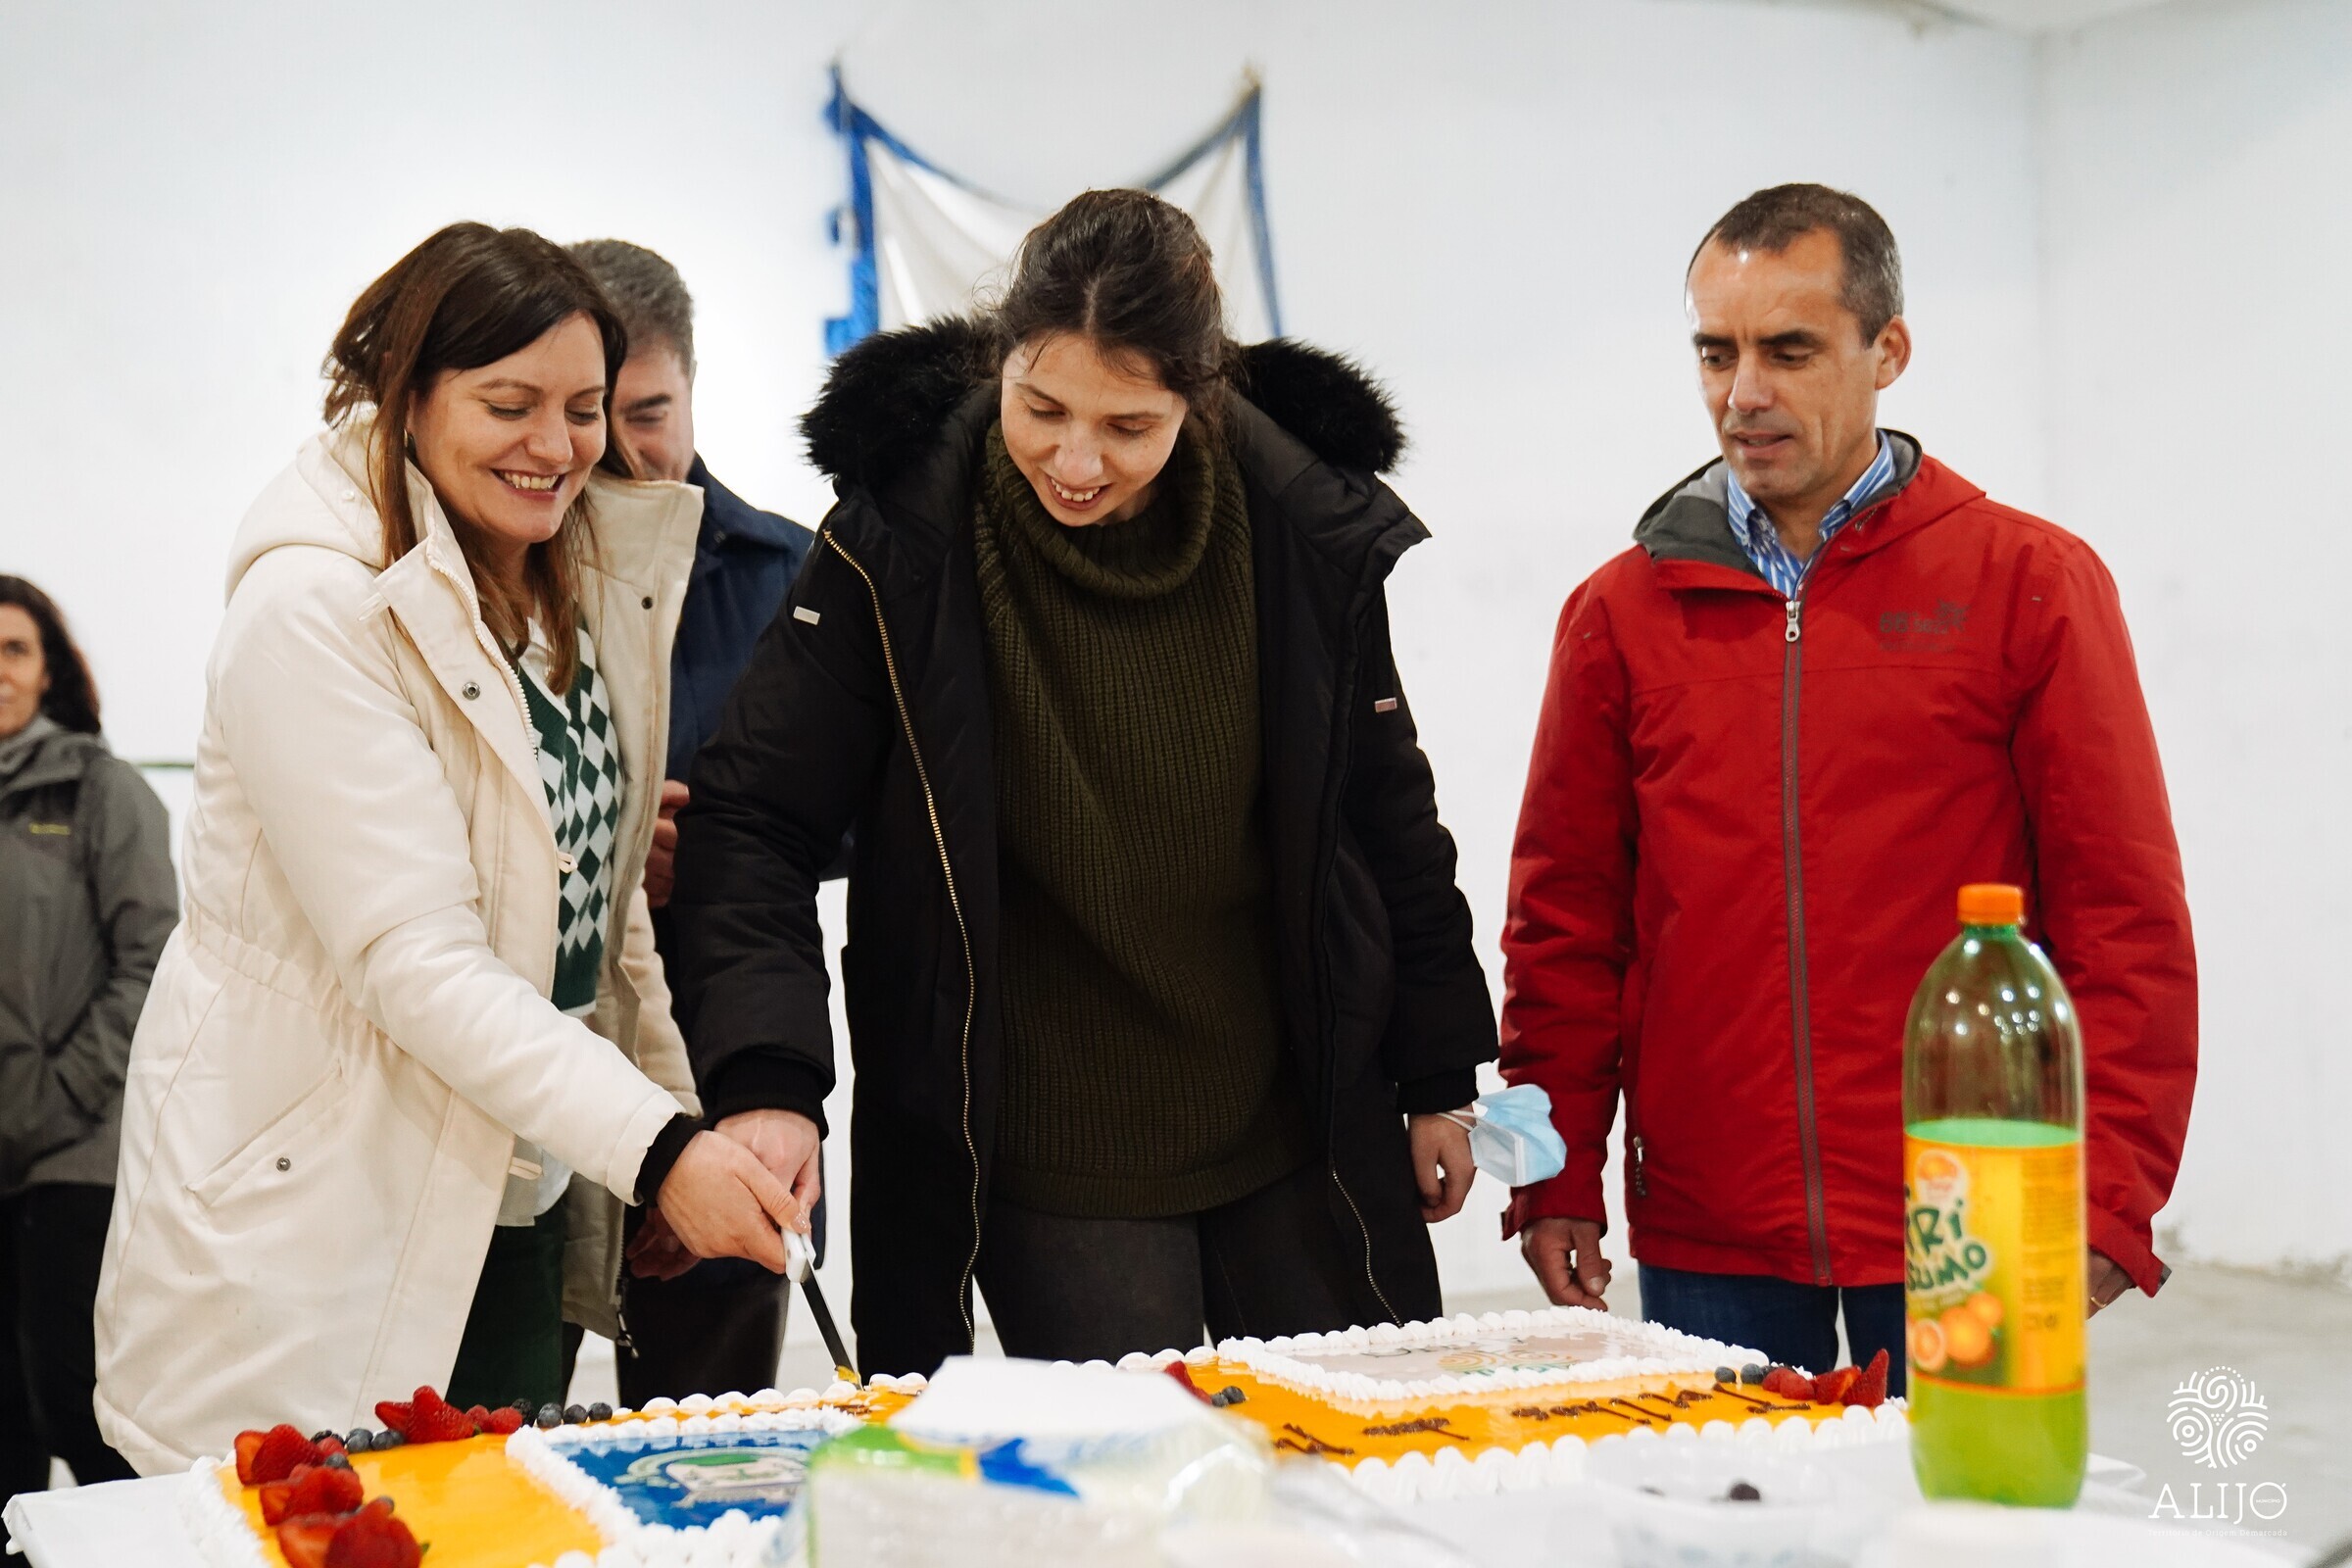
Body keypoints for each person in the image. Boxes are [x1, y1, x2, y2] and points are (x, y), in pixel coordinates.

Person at [668, 189, 1498, 1375]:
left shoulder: (1298, 526)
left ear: (1200, 397)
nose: (1074, 460)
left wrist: (1439, 1073)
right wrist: (767, 1078)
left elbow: (1382, 808)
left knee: (1352, 1450)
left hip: (1296, 1112)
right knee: (1131, 1469)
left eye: (1129, 425)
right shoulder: (900, 537)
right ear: (1000, 361)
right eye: (1042, 407)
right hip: (1048, 1146)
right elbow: (753, 817)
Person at [94, 222, 808, 1474]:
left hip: (512, 1198)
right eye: (509, 404)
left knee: (495, 1521)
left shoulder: (556, 581)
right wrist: (659, 1152)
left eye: (584, 409)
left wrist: (676, 1117)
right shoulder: (313, 611)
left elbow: (601, 920)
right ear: (407, 394)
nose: (559, 445)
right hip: (326, 1210)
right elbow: (415, 959)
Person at [1499, 183, 2196, 1393]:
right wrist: (1555, 1172)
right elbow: (1567, 920)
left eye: (1788, 350)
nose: (1743, 393)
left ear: (1888, 351)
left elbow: (2124, 918)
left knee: (1958, 1500)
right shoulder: (1619, 615)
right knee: (1725, 1501)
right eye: (1715, 353)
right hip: (1708, 1224)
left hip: (1970, 1206)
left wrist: (2107, 1198)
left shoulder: (2030, 583)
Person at [564, 238, 816, 1403]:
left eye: (650, 412)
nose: (620, 448)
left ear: (696, 386)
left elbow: (864, 818)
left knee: (711, 1432)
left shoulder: (787, 576)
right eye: (592, 413)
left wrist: (715, 845)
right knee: (491, 1426)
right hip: (534, 1059)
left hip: (727, 1059)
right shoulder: (496, 576)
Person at [0, 578, 173, 1503]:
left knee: (73, 1395)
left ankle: (173, 1544)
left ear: (49, 671)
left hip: (78, 1144)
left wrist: (61, 1092)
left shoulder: (101, 790)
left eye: (14, 649)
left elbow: (152, 960)